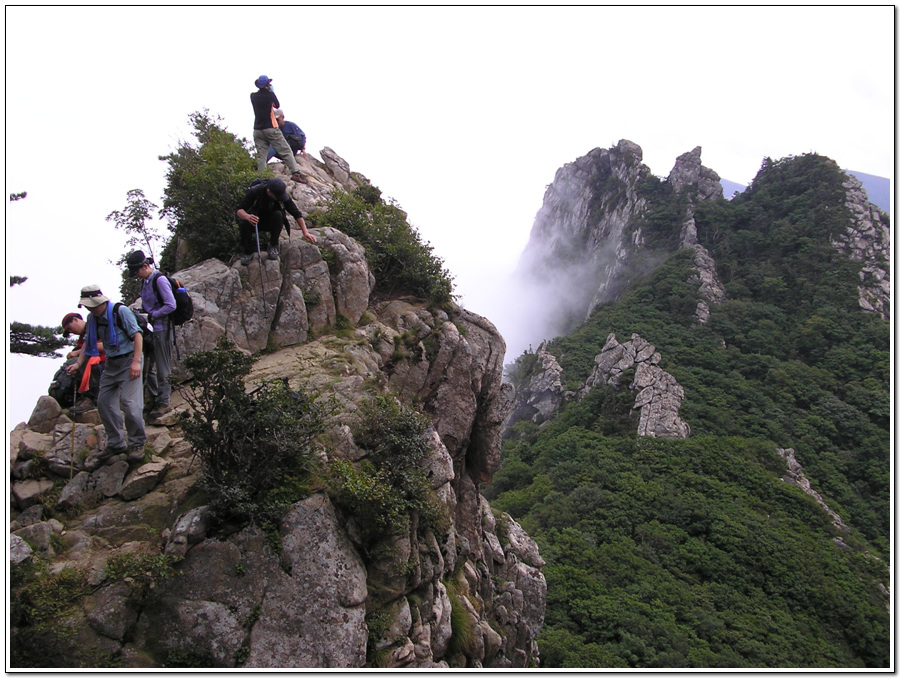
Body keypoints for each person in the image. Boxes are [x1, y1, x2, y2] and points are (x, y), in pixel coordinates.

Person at [66, 285, 146, 462]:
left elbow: (138, 335)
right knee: (104, 403)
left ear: (98, 301)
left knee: (131, 404)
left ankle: (136, 443)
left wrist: (136, 362)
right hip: (111, 364)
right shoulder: (92, 319)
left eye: (89, 305)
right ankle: (116, 443)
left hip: (129, 360)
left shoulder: (121, 311)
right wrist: (78, 364)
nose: (88, 308)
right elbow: (89, 342)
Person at [126, 250, 175, 422]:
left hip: (163, 329)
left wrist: (152, 315)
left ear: (145, 266)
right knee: (151, 367)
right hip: (151, 329)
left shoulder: (159, 280)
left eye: (137, 271)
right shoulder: (146, 282)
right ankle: (154, 399)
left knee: (163, 367)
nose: (137, 275)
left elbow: (171, 305)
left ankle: (164, 402)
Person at [235, 177, 317, 265]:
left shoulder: (282, 196)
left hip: (271, 220)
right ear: (269, 192)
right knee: (243, 223)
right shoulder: (255, 192)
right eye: (277, 196)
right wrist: (247, 216)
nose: (280, 198)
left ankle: (273, 245)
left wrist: (305, 232)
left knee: (278, 215)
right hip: (254, 221)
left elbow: (296, 213)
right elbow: (238, 210)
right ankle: (248, 251)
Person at [251, 75, 304, 182]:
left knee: (262, 155)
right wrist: (271, 92)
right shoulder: (269, 95)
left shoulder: (253, 96)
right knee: (285, 149)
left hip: (257, 129)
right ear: (267, 85)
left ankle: (261, 178)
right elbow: (277, 105)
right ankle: (295, 173)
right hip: (270, 127)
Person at [62, 312, 106, 413]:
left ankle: (90, 399)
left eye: (69, 328)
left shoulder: (94, 327)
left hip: (105, 361)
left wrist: (78, 352)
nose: (71, 331)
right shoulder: (82, 338)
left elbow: (103, 345)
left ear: (75, 320)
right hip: (93, 363)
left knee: (94, 368)